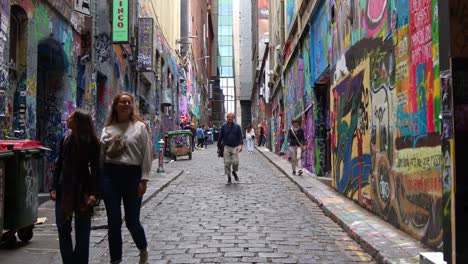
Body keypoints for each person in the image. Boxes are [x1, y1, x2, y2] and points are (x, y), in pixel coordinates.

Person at [100, 92, 152, 264]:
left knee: (132, 221)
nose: (126, 104)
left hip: (132, 176)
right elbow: (100, 156)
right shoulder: (107, 129)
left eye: (129, 102)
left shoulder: (140, 127)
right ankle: (116, 260)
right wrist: (98, 181)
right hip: (110, 176)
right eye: (123, 102)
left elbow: (146, 154)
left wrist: (143, 179)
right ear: (116, 105)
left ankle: (143, 249)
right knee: (113, 222)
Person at [50, 108, 100, 264]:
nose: (68, 118)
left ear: (78, 122)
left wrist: (94, 193)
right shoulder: (65, 140)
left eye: (71, 117)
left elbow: (97, 169)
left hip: (83, 190)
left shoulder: (92, 143)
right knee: (63, 228)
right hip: (64, 189)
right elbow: (59, 165)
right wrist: (53, 187)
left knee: (83, 231)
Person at [218, 112, 243, 184]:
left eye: (231, 117)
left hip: (235, 147)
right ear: (227, 118)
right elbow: (220, 137)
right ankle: (229, 177)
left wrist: (241, 145)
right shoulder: (224, 127)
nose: (230, 118)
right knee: (227, 163)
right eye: (228, 117)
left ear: (234, 118)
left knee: (236, 162)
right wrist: (219, 147)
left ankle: (234, 172)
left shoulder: (237, 127)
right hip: (226, 147)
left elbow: (240, 137)